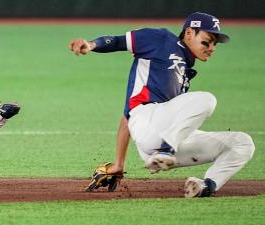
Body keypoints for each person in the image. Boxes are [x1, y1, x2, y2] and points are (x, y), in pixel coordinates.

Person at [69, 12, 255, 198]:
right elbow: (117, 41)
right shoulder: (161, 39)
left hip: (160, 139)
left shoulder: (184, 71)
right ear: (189, 33)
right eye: (207, 41)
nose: (212, 48)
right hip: (147, 121)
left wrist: (118, 165)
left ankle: (205, 186)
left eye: (215, 44)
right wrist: (91, 45)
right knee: (207, 99)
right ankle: (165, 150)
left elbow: (126, 118)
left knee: (242, 142)